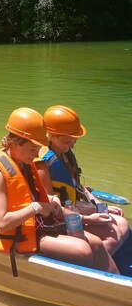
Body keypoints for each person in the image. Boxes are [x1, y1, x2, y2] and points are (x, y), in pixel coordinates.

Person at [0, 107, 119, 273]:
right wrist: (35, 207)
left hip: (37, 225)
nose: (36, 155)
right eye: (32, 149)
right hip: (18, 234)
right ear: (14, 143)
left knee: (95, 242)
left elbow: (30, 196)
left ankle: (118, 286)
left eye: (38, 149)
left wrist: (51, 199)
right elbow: (2, 222)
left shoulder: (25, 162)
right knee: (82, 251)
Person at [38, 105, 129, 256]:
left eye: (74, 140)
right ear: (51, 135)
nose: (72, 144)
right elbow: (51, 209)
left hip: (74, 208)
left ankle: (101, 259)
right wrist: (89, 219)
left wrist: (98, 206)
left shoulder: (64, 153)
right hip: (59, 218)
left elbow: (78, 187)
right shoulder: (43, 164)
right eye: (67, 140)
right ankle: (92, 263)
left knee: (122, 224)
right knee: (111, 236)